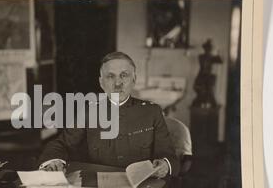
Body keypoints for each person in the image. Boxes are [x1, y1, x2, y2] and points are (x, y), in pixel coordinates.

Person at [37, 51, 180, 178]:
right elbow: (62, 144)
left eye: (124, 75)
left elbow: (169, 155)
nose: (118, 83)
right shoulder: (89, 112)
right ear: (101, 82)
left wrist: (165, 165)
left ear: (134, 80)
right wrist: (54, 160)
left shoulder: (151, 112)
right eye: (110, 76)